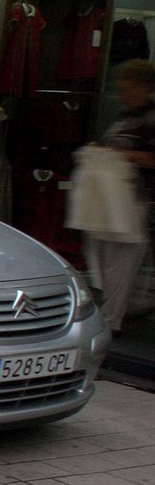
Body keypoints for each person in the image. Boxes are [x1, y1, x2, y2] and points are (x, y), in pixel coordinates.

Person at [87, 59, 155, 336]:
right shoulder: (124, 117)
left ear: (145, 87)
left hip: (135, 199)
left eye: (128, 88)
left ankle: (111, 320)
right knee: (103, 257)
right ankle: (111, 312)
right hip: (110, 198)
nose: (123, 94)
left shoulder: (150, 119)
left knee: (121, 262)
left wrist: (119, 155)